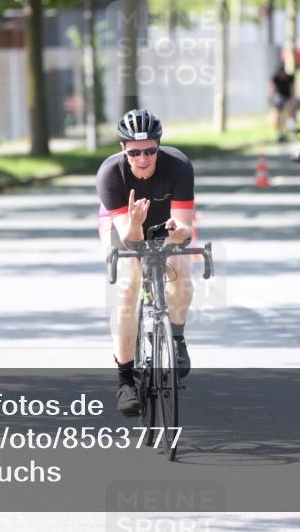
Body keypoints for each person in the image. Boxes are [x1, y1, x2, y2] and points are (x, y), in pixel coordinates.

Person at [96, 109, 195, 417]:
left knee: (181, 269)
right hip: (123, 224)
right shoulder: (110, 174)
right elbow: (128, 238)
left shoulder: (178, 165)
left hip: (166, 222)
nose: (143, 158)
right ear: (123, 150)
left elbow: (185, 228)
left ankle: (176, 339)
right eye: (135, 152)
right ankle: (125, 379)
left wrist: (179, 234)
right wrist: (135, 223)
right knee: (128, 281)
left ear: (159, 147)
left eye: (150, 150)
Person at [268, 64, 297, 142]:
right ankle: (278, 133)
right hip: (278, 96)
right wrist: (270, 98)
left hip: (287, 96)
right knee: (277, 113)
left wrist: (293, 99)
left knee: (290, 111)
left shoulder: (290, 78)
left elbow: (292, 90)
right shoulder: (275, 78)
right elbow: (271, 89)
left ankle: (290, 130)